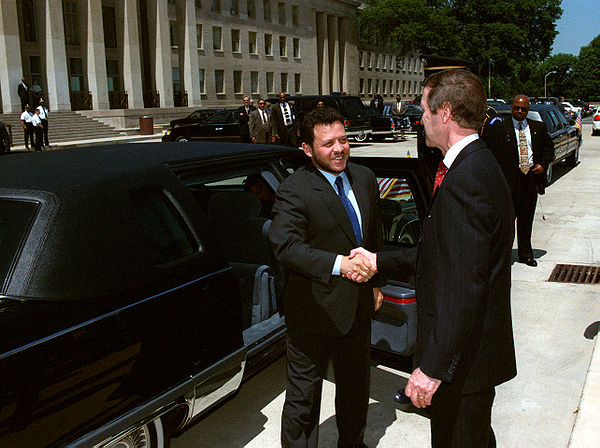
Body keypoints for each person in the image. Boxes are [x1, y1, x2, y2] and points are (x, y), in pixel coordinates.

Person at [349, 70, 517, 448]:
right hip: (470, 359)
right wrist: (379, 261)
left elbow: (464, 288)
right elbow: (445, 254)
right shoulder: (477, 163)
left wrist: (432, 369)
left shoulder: (467, 179)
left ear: (444, 113)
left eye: (423, 110)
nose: (418, 118)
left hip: (462, 366)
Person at [269, 106, 382, 448]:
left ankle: (352, 441)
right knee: (303, 400)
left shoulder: (364, 177)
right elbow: (285, 246)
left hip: (357, 308)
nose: (339, 149)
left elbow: (372, 235)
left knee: (355, 389)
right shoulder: (294, 189)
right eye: (327, 143)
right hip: (312, 312)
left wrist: (377, 283)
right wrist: (339, 264)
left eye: (343, 140)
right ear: (307, 149)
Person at [482, 94, 554, 267]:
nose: (520, 111)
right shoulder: (501, 127)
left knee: (526, 219)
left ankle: (525, 254)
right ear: (511, 108)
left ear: (528, 110)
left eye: (523, 109)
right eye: (516, 108)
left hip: (529, 180)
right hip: (508, 182)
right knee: (506, 222)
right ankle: (504, 256)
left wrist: (542, 164)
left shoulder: (538, 127)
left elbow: (549, 149)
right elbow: (488, 151)